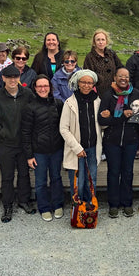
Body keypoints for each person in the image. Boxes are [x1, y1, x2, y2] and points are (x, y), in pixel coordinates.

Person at [0, 65, 36, 223]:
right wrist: (1, 131)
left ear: (19, 78)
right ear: (3, 78)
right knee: (7, 176)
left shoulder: (27, 94)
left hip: (24, 142)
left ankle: (24, 200)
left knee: (24, 174)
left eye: (16, 77)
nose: (13, 80)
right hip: (6, 143)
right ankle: (7, 205)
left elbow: (35, 112)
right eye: (9, 77)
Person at [98, 67, 139, 218]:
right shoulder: (107, 95)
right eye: (120, 76)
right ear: (115, 77)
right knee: (113, 172)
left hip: (131, 140)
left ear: (129, 78)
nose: (123, 79)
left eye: (126, 76)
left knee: (127, 172)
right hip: (112, 140)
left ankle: (127, 203)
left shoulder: (136, 94)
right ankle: (113, 204)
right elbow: (102, 120)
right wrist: (122, 116)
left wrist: (116, 117)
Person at [22, 75, 65, 222]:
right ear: (35, 88)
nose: (42, 89)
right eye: (39, 86)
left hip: (56, 149)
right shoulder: (30, 107)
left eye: (45, 86)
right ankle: (44, 207)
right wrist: (29, 155)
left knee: (56, 178)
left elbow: (63, 127)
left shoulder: (58, 104)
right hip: (39, 151)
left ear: (50, 87)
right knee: (40, 181)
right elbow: (26, 133)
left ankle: (58, 204)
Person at [59, 70, 102, 203]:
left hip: (93, 148)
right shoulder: (69, 103)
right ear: (78, 83)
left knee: (91, 180)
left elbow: (101, 125)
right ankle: (78, 209)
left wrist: (106, 118)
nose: (86, 85)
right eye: (83, 82)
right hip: (77, 150)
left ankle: (89, 207)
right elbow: (64, 128)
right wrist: (77, 148)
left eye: (89, 83)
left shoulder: (98, 101)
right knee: (78, 182)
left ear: (93, 84)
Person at [83, 28, 123, 97]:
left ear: (106, 41)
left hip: (113, 91)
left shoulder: (112, 54)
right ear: (94, 42)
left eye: (103, 39)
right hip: (97, 93)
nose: (100, 42)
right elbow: (88, 75)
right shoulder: (90, 57)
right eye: (98, 40)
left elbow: (120, 68)